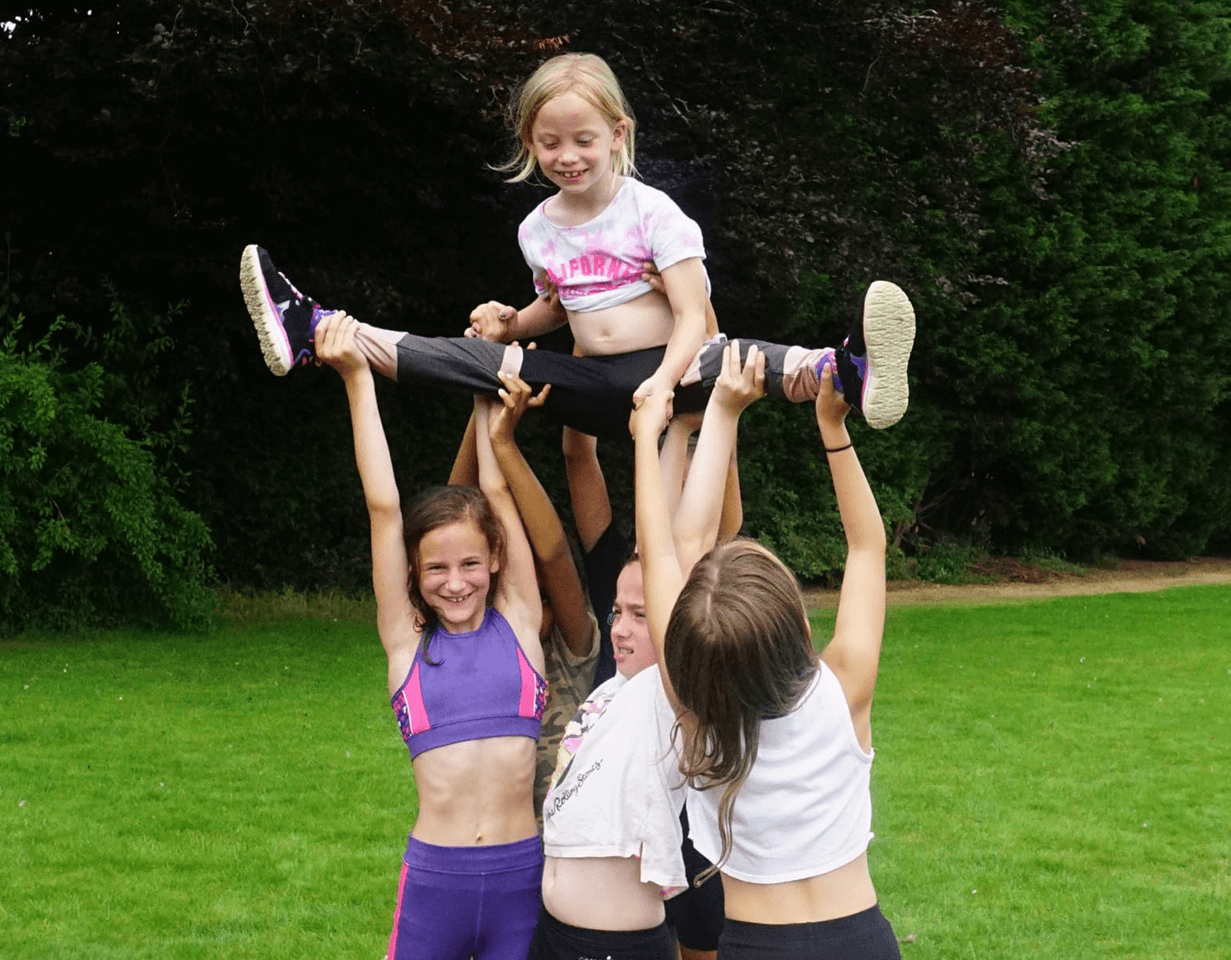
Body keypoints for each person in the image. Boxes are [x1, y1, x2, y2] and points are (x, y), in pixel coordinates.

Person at [238, 52, 916, 439]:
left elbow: (691, 313)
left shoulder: (654, 212)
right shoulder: (538, 229)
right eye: (550, 142)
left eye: (583, 139)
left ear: (617, 134)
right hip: (591, 381)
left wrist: (659, 382)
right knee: (476, 359)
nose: (568, 156)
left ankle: (852, 372)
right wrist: (511, 320)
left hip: (676, 368)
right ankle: (317, 328)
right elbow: (558, 312)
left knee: (746, 358)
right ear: (530, 143)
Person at [631, 344, 903, 959]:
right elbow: (867, 547)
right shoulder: (842, 691)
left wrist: (661, 435)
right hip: (859, 939)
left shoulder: (695, 712)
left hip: (757, 946)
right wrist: (832, 429)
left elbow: (668, 549)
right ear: (799, 630)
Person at [313, 311, 547, 960]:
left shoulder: (521, 624)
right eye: (436, 569)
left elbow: (496, 490)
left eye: (470, 564)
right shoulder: (407, 644)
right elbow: (384, 507)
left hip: (521, 882)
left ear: (495, 559)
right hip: (435, 886)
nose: (455, 582)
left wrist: (488, 386)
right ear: (415, 573)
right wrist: (359, 378)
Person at [529, 361, 755, 960]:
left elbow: (686, 541)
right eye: (618, 613)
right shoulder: (611, 694)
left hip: (617, 945)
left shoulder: (672, 687)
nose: (622, 630)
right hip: (556, 936)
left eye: (642, 613)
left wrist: (680, 430)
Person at [447, 371, 602, 819]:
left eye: (537, 581)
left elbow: (553, 553)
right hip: (485, 850)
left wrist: (504, 445)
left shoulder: (572, 648)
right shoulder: (472, 634)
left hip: (559, 861)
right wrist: (482, 397)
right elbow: (453, 512)